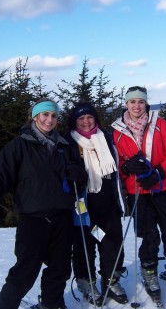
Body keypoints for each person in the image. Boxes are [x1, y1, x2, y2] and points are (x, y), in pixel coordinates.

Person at [0, 98, 88, 309]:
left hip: (62, 217)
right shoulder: (19, 146)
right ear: (35, 117)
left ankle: (52, 304)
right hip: (33, 219)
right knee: (25, 270)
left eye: (53, 116)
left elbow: (77, 178)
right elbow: (1, 177)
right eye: (45, 115)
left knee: (60, 268)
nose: (49, 120)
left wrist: (78, 175)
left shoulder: (64, 146)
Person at [111, 86, 166, 302]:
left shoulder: (162, 125)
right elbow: (115, 163)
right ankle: (149, 270)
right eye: (132, 102)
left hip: (163, 187)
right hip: (138, 191)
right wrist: (126, 169)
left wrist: (159, 172)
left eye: (140, 102)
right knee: (148, 234)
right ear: (126, 104)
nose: (136, 106)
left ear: (146, 103)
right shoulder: (116, 132)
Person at [64, 102, 128, 306]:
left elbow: (118, 165)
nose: (86, 121)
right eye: (81, 118)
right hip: (82, 206)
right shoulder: (67, 142)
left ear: (96, 119)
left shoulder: (106, 138)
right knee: (85, 246)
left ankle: (111, 279)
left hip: (107, 202)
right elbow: (58, 170)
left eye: (89, 117)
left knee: (112, 243)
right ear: (74, 122)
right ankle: (87, 282)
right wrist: (69, 173)